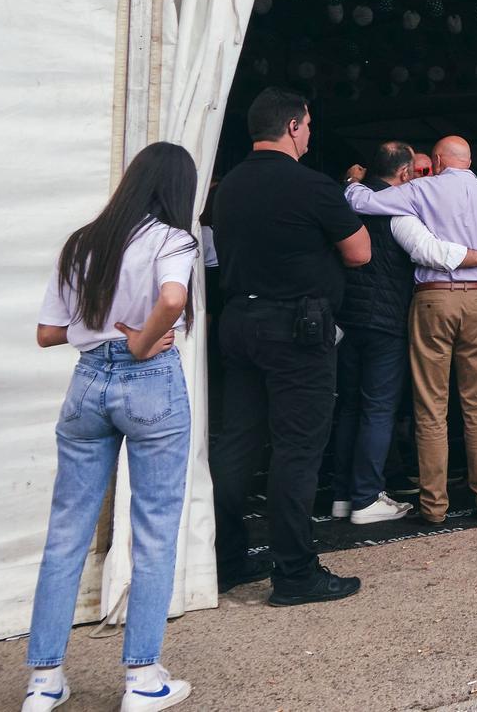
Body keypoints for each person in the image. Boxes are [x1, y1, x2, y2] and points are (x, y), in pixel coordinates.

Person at [23, 142, 200, 712]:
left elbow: (48, 333)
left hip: (87, 386)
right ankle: (143, 679)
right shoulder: (173, 240)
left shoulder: (83, 242)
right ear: (176, 190)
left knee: (66, 532)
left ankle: (44, 682)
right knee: (153, 530)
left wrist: (100, 331)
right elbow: (173, 298)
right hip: (149, 384)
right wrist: (143, 342)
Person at [210, 88, 370, 605]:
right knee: (297, 450)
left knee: (235, 445)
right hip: (297, 327)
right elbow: (360, 251)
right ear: (295, 126)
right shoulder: (312, 186)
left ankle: (225, 559)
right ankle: (294, 572)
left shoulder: (226, 187)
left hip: (238, 321)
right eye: (309, 124)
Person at [342, 135, 477, 526]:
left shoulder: (421, 189)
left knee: (431, 406)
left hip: (433, 298)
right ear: (470, 161)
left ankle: (435, 504)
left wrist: (354, 181)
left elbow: (362, 202)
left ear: (439, 160)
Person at [330, 141, 477, 527]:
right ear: (402, 174)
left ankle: (343, 496)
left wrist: (350, 181)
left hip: (347, 318)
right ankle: (366, 497)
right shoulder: (400, 208)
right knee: (378, 409)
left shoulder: (348, 201)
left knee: (348, 406)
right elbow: (429, 250)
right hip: (386, 319)